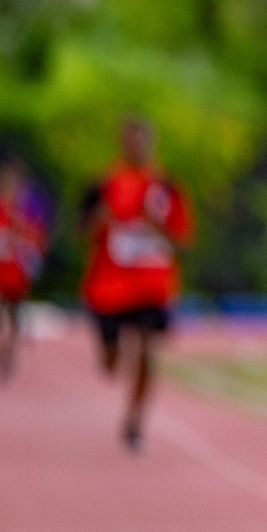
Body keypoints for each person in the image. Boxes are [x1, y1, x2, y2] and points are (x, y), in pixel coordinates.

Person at [81, 118, 194, 451]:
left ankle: (134, 421)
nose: (137, 147)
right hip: (108, 287)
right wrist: (99, 221)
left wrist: (160, 232)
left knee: (147, 350)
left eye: (142, 141)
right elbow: (80, 229)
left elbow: (184, 240)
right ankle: (110, 353)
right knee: (111, 361)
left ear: (151, 143)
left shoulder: (166, 187)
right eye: (130, 141)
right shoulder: (103, 183)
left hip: (150, 284)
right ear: (121, 143)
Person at [0, 161, 48, 381]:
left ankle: (10, 346)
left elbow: (36, 237)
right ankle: (2, 341)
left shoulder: (23, 210)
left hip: (15, 269)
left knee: (13, 311)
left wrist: (23, 235)